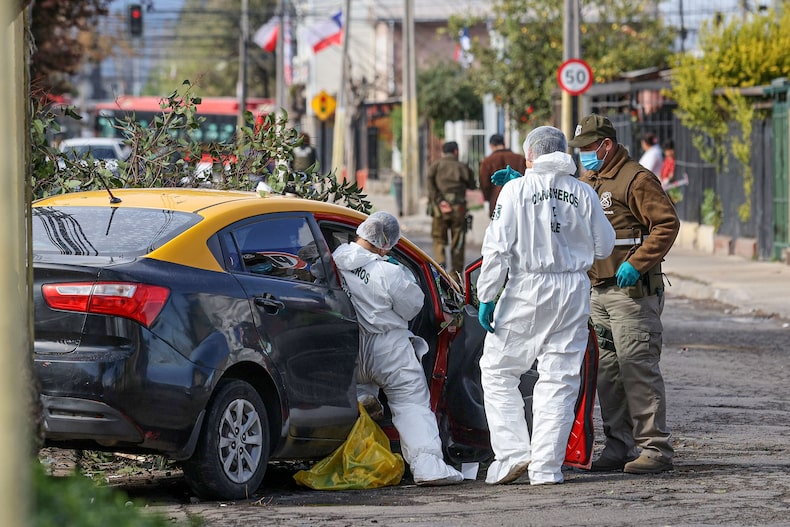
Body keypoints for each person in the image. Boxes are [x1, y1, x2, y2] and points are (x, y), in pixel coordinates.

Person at [476, 126, 615, 485]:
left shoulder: (515, 189)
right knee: (560, 377)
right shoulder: (583, 191)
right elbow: (604, 247)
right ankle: (546, 468)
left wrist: (487, 295)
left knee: (498, 370)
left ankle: (512, 453)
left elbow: (497, 249)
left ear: (530, 155)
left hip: (527, 287)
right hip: (573, 291)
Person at [568, 114, 680, 474]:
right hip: (598, 291)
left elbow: (666, 224)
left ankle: (655, 449)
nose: (582, 155)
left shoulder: (636, 178)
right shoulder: (588, 179)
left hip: (631, 292)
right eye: (579, 150)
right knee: (608, 374)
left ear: (606, 145)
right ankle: (619, 445)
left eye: (587, 148)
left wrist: (640, 262)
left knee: (637, 368)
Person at [332, 211, 464, 486]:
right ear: (385, 244)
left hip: (349, 346)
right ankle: (428, 466)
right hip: (388, 347)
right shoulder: (389, 272)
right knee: (410, 402)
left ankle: (365, 399)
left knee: (355, 392)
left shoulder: (334, 260)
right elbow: (413, 306)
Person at [426, 141, 476, 275]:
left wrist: (440, 200)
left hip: (440, 208)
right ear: (456, 152)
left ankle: (440, 267)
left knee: (438, 238)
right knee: (458, 241)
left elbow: (430, 186)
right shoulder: (462, 166)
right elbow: (472, 184)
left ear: (443, 152)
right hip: (458, 209)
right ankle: (456, 275)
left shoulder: (435, 166)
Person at [478, 133, 527, 218]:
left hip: (496, 202)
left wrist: (488, 198)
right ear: (503, 143)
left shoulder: (487, 161)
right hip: (518, 202)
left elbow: (484, 184)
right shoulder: (520, 158)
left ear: (491, 145)